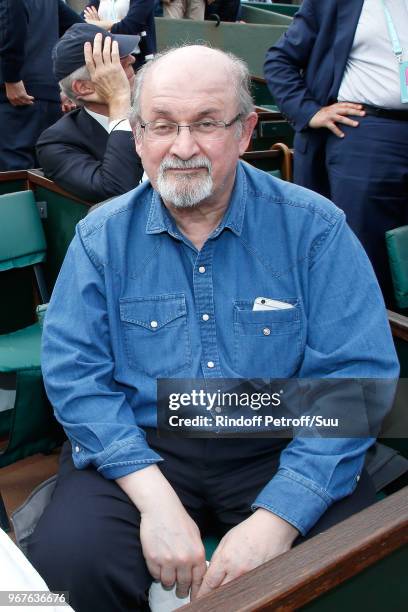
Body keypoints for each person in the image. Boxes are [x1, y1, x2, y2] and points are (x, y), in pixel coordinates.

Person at [27, 44, 398, 612]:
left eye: (205, 124)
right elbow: (77, 380)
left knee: (361, 565)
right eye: (162, 127)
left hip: (281, 440)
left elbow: (355, 384)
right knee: (63, 567)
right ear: (139, 134)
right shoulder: (100, 238)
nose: (182, 147)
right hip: (142, 449)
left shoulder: (315, 230)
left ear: (246, 130)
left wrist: (279, 519)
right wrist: (154, 500)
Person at [264, 0, 408, 307]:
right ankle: (373, 336)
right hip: (367, 134)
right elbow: (280, 62)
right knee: (367, 252)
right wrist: (309, 112)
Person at [36, 24, 143, 203]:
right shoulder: (57, 143)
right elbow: (117, 192)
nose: (132, 59)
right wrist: (118, 101)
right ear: (84, 87)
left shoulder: (156, 113)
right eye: (116, 66)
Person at [0, 0, 82, 171]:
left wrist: (11, 77)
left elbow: (11, 25)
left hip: (15, 97)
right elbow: (78, 28)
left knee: (15, 177)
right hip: (46, 94)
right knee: (43, 174)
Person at [83, 0, 156, 67]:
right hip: (104, 56)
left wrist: (96, 24)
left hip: (133, 58)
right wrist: (118, 24)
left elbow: (128, 28)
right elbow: (81, 23)